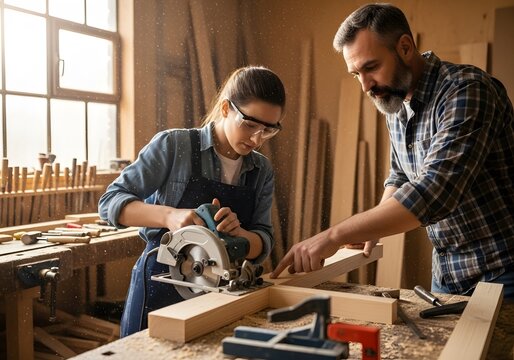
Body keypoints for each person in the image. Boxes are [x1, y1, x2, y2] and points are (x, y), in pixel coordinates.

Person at [271, 3, 514, 300]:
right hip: (449, 272)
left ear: (405, 47)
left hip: (503, 269)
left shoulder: (467, 91)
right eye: (355, 74)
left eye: (371, 67)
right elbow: (400, 177)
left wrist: (334, 235)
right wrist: (370, 228)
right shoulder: (396, 102)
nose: (365, 86)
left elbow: (434, 192)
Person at [99, 65, 286, 336]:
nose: (257, 139)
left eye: (269, 130)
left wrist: (240, 236)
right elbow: (109, 203)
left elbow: (263, 242)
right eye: (250, 124)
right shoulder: (174, 146)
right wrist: (169, 216)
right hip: (159, 286)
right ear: (225, 109)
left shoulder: (260, 171)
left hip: (221, 294)